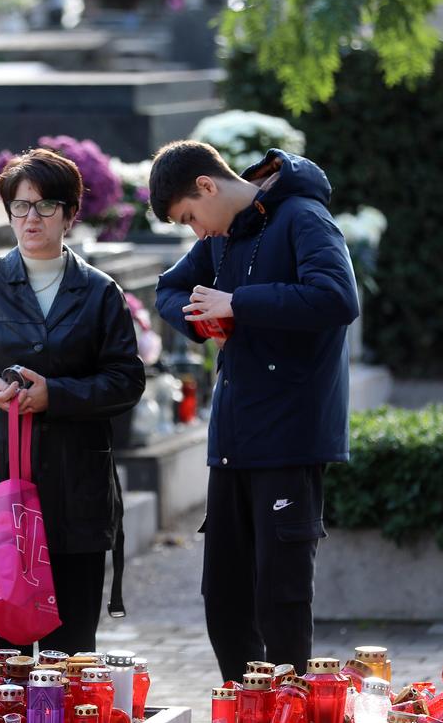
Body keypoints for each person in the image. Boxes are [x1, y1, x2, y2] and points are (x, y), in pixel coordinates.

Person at [0, 147, 146, 653]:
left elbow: (126, 380)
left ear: (70, 213)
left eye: (45, 206)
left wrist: (55, 395)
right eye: (20, 206)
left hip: (74, 489)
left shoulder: (99, 292)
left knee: (72, 653)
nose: (31, 218)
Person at [151, 141, 358, 680]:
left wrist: (238, 303)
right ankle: (243, 711)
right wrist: (203, 320)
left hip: (290, 437)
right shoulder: (222, 236)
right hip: (232, 441)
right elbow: (168, 288)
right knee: (224, 595)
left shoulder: (303, 217)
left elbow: (338, 297)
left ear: (206, 185)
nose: (197, 233)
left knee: (280, 596)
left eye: (190, 217)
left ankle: (290, 717)